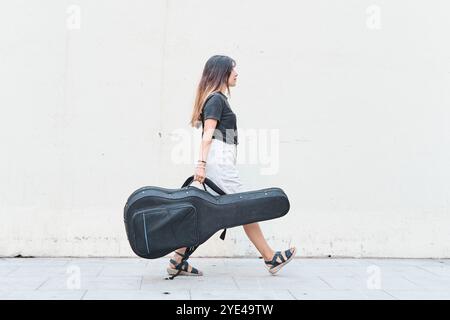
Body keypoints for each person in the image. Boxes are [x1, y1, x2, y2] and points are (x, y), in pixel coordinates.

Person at [166, 55, 296, 277]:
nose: (236, 73)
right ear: (221, 73)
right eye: (233, 69)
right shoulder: (216, 99)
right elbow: (208, 135)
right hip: (218, 161)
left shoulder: (216, 99)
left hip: (217, 160)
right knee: (245, 207)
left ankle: (177, 260)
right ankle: (270, 257)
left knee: (202, 213)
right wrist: (201, 165)